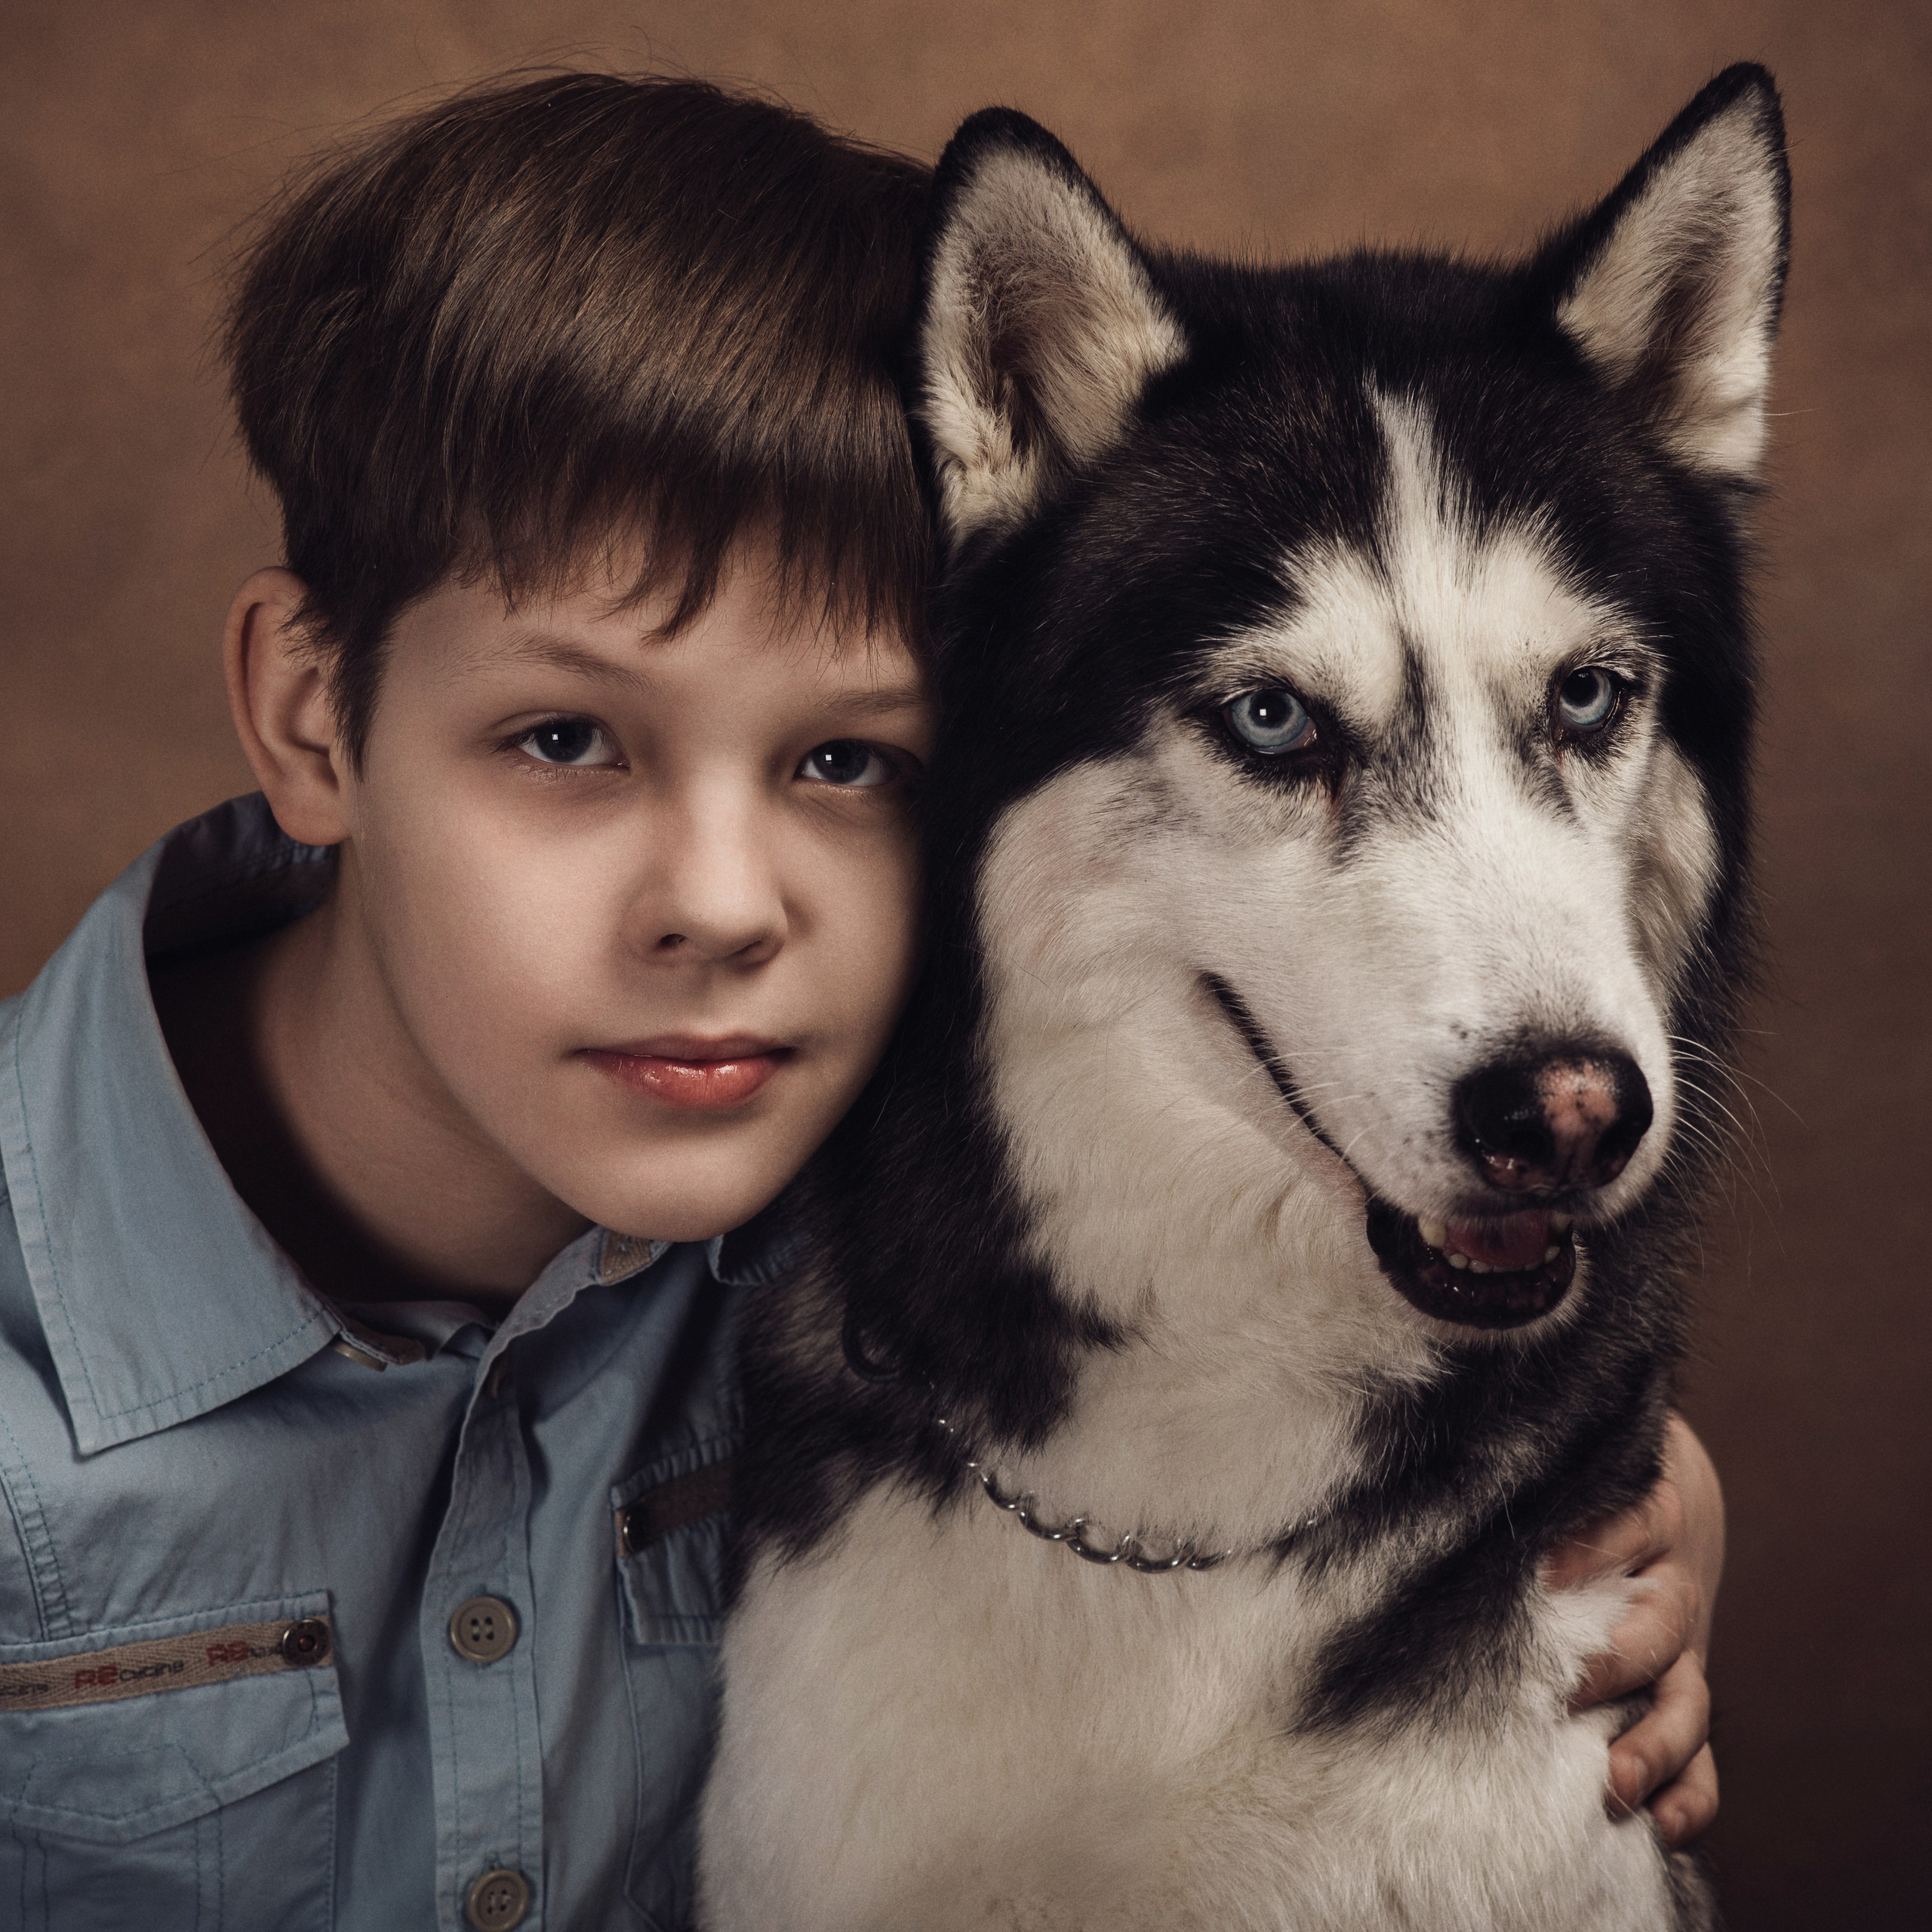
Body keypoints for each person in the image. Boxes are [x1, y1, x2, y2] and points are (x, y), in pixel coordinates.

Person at [0, 72, 1720, 1932]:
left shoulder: (900, 1214)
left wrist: (1649, 1492)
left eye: (846, 761)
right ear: (312, 713)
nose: (725, 909)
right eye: (566, 739)